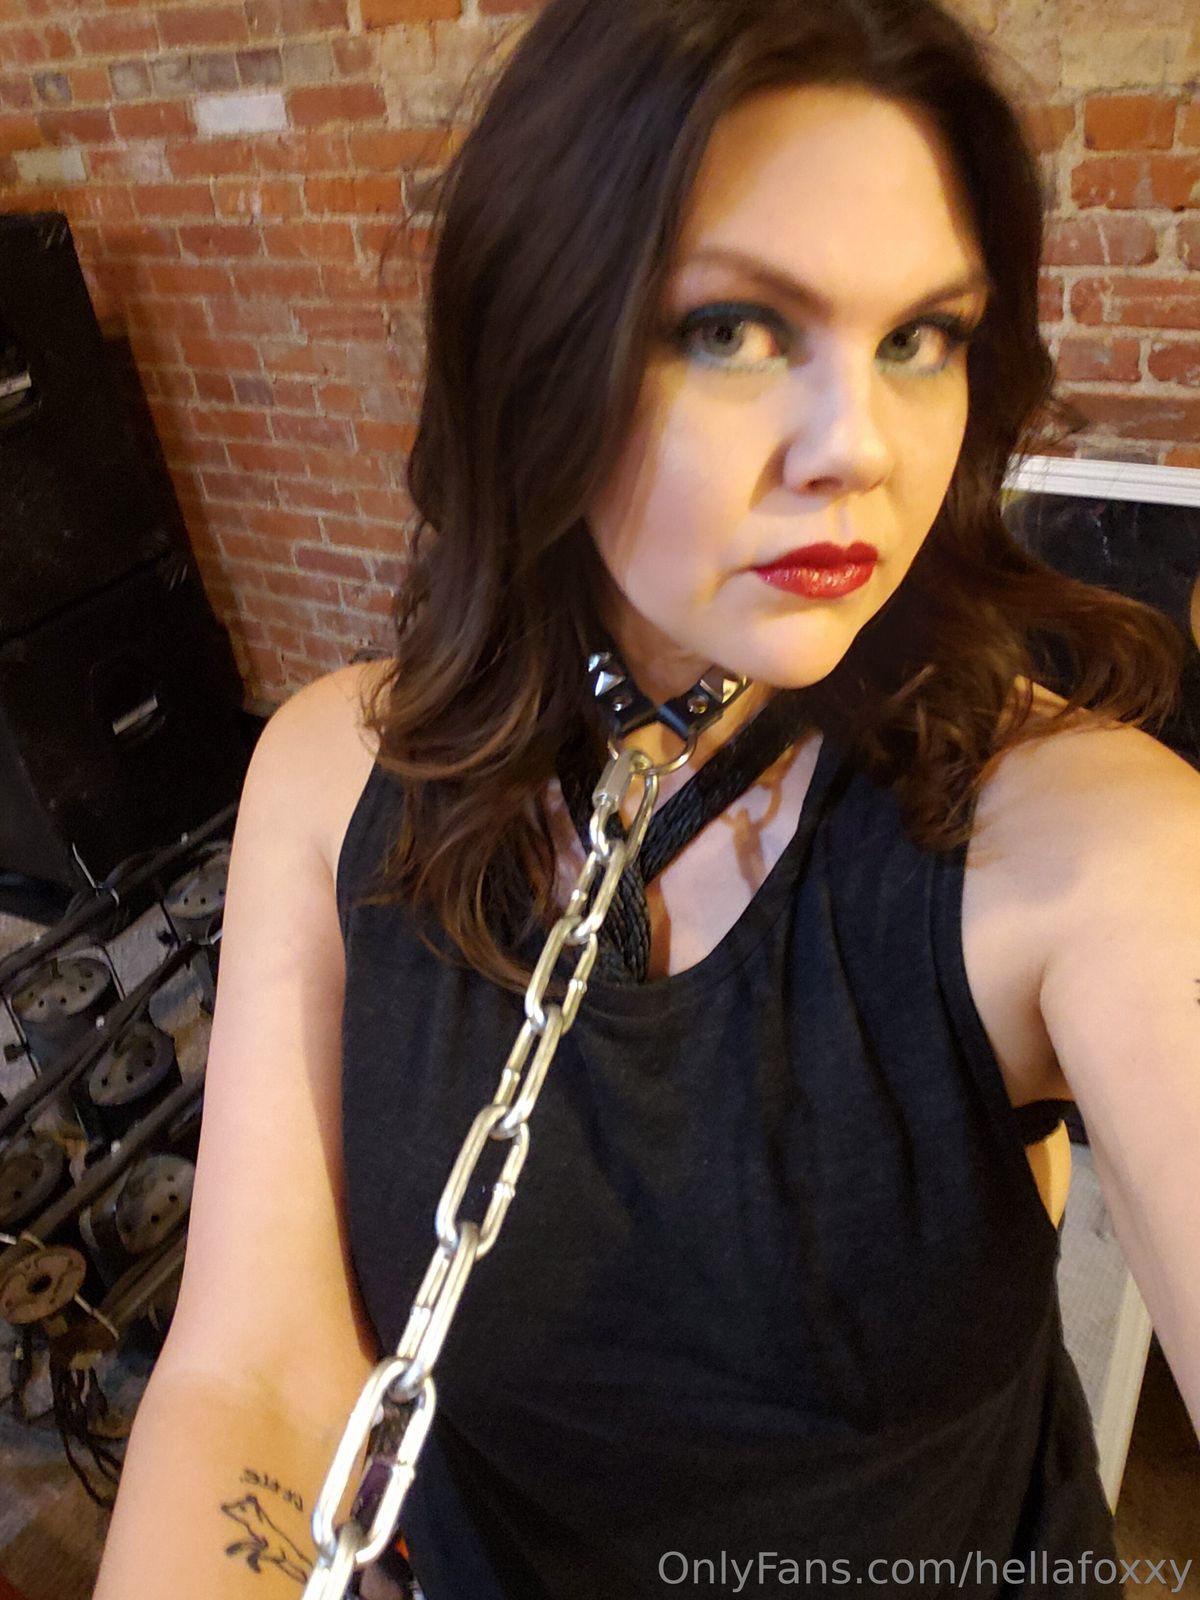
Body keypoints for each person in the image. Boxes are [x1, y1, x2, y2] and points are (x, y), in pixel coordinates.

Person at [93, 2, 1200, 1597]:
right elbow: (253, 1381)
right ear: (538, 347)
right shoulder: (334, 778)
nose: (859, 448)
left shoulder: (1075, 837)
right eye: (733, 330)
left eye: (919, 339)